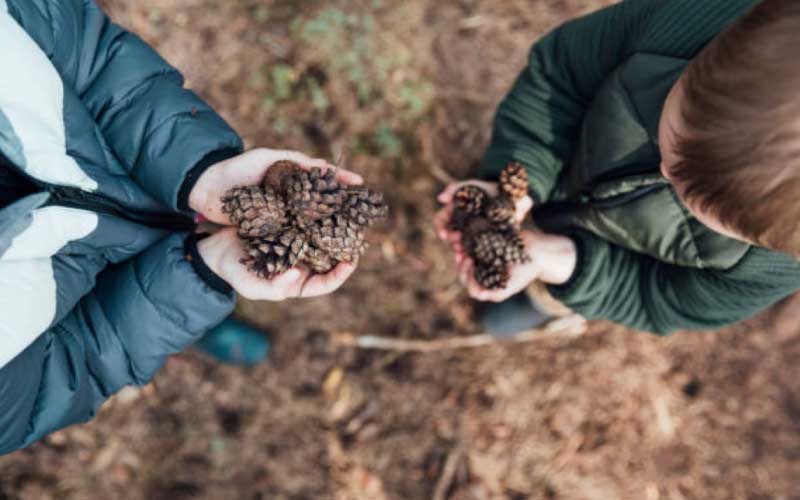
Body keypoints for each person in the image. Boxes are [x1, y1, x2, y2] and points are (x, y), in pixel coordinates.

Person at [0, 0, 361, 454]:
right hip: (92, 296)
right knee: (152, 300)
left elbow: (90, 60)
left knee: (168, 228)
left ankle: (185, 260)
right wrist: (211, 270)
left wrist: (199, 173)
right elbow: (82, 360)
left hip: (135, 171)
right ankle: (188, 291)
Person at [436, 0, 800, 336]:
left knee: (500, 321)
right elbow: (559, 77)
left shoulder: (778, 264)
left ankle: (541, 301)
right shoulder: (688, 23)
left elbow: (660, 300)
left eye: (696, 203)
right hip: (568, 159)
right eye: (670, 135)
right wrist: (515, 181)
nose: (666, 173)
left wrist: (560, 262)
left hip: (594, 267)